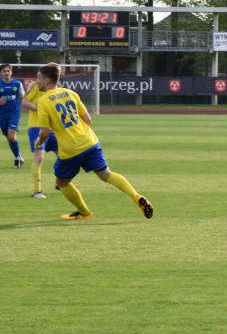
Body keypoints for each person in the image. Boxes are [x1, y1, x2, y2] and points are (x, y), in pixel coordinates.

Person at [32, 62, 152, 221]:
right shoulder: (70, 93)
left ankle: (84, 212)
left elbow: (45, 133)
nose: (36, 81)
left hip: (70, 150)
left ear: (46, 81)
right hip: (90, 141)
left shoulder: (43, 101)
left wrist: (39, 141)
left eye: (38, 78)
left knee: (62, 182)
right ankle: (137, 196)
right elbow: (87, 120)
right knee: (106, 174)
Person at [21, 70, 60, 198]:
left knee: (65, 156)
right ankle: (36, 191)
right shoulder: (36, 85)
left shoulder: (55, 88)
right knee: (39, 157)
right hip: (36, 126)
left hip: (51, 127)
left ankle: (60, 178)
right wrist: (39, 109)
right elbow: (24, 101)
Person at [0, 63, 25, 169]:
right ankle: (19, 156)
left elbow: (23, 97)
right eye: (4, 71)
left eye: (8, 71)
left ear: (11, 72)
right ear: (0, 73)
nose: (6, 73)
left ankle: (16, 158)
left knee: (11, 136)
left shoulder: (17, 84)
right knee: (9, 138)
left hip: (14, 113)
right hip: (2, 114)